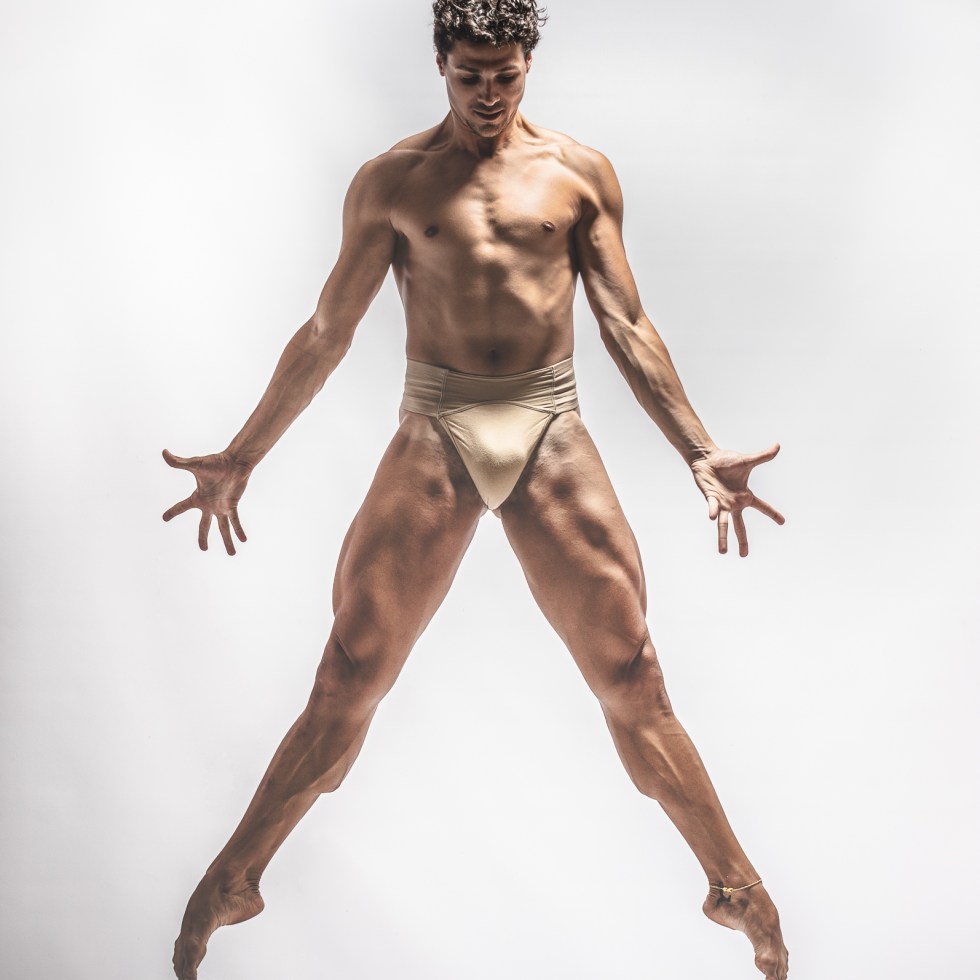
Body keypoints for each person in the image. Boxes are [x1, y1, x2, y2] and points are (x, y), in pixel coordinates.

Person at [164, 2, 789, 977]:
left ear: (528, 62)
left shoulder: (579, 173)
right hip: (436, 426)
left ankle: (733, 884)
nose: (488, 93)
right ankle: (235, 875)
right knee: (347, 674)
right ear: (441, 67)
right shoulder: (392, 181)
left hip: (549, 426)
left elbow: (625, 322)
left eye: (505, 73)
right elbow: (328, 330)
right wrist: (243, 455)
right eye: (469, 75)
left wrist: (697, 450)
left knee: (632, 675)